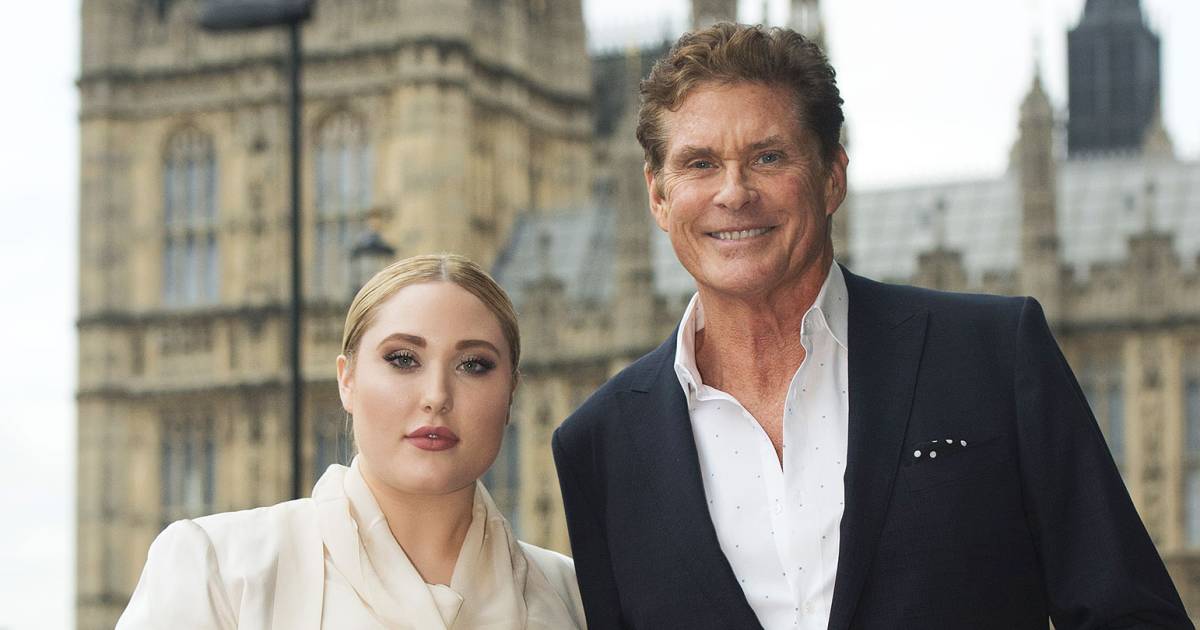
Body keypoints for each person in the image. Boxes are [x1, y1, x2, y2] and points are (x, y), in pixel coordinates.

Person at [551, 22, 1191, 630]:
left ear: (832, 177)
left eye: (768, 157)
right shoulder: (600, 445)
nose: (734, 192)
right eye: (699, 164)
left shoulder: (993, 355)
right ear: (657, 195)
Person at [118, 254, 585, 629]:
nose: (436, 396)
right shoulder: (219, 570)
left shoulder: (573, 598)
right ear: (347, 380)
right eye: (403, 359)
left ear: (511, 394)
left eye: (474, 365)